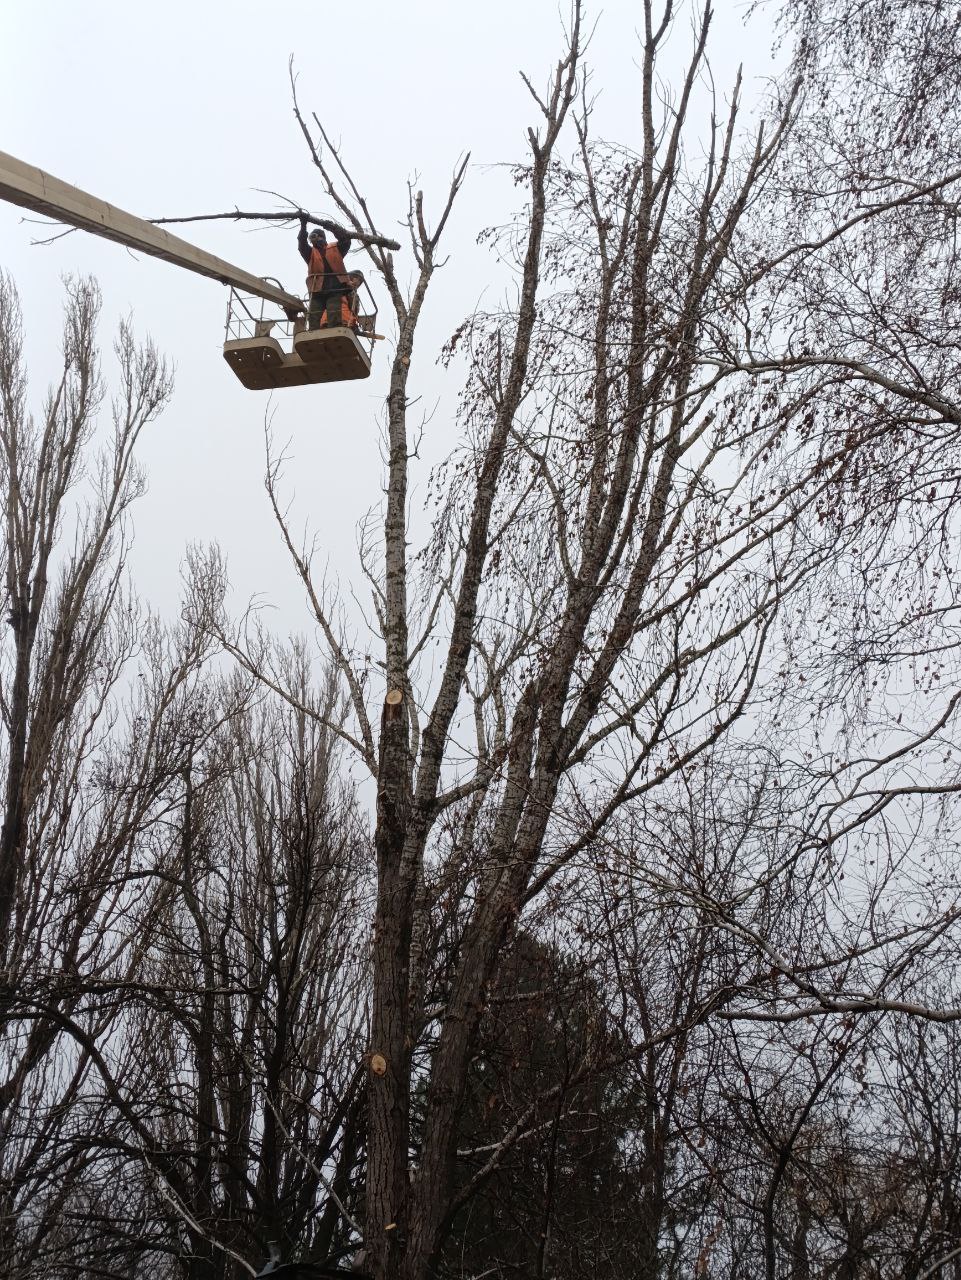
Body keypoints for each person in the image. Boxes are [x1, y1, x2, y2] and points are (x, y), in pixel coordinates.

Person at [298, 215, 352, 330]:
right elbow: (302, 244)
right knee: (313, 316)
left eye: (315, 237)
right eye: (311, 238)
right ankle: (313, 335)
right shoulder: (310, 253)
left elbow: (346, 240)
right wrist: (303, 226)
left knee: (333, 314)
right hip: (317, 290)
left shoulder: (335, 248)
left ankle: (334, 332)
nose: (313, 240)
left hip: (335, 289)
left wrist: (332, 228)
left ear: (322, 237)